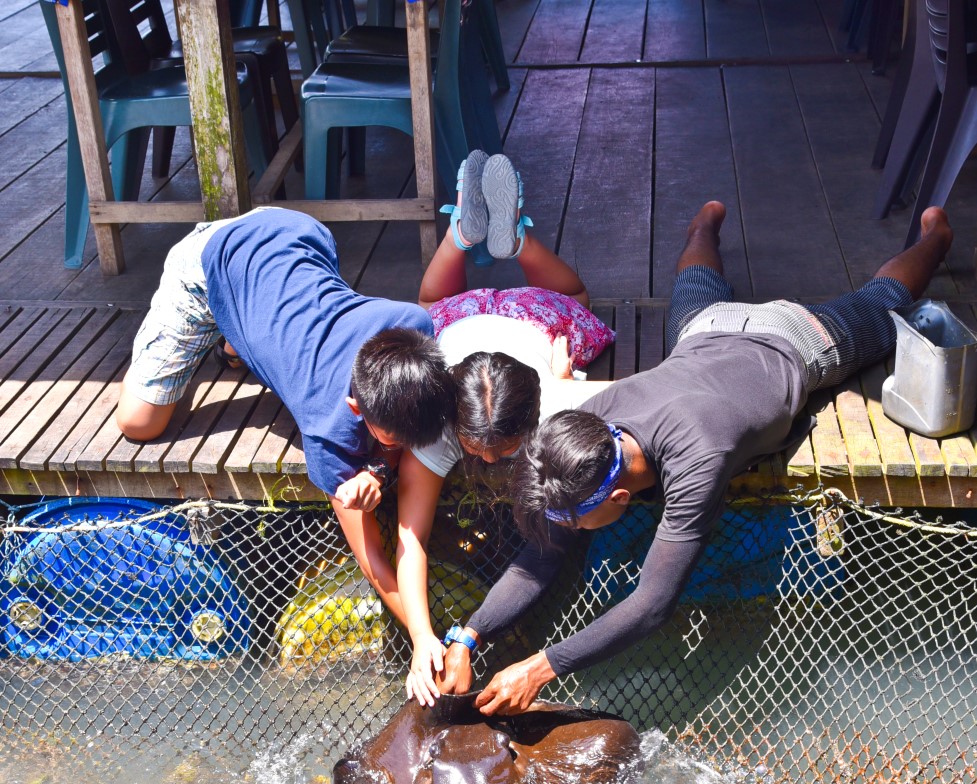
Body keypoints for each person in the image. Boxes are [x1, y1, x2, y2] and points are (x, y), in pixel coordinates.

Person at [436, 200, 955, 714]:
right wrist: (468, 636)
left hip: (794, 340)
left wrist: (541, 666)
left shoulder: (698, 460)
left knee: (885, 303)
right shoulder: (586, 427)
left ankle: (937, 236)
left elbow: (652, 604)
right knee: (697, 285)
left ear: (619, 496)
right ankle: (704, 223)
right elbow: (538, 559)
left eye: (572, 522)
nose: (565, 532)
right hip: (705, 331)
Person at [115, 207, 455, 658]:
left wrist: (378, 465)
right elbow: (371, 559)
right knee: (139, 422)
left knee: (278, 318)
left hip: (299, 233)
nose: (408, 453)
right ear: (355, 407)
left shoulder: (414, 325)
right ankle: (224, 325)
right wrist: (423, 638)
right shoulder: (326, 430)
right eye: (395, 442)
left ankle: (237, 342)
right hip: (211, 259)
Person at [394, 151, 614, 705]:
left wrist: (565, 381)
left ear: (533, 418)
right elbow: (411, 536)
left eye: (504, 450)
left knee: (436, 303)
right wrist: (422, 637)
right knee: (570, 302)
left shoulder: (553, 398)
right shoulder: (437, 419)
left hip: (514, 322)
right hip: (480, 322)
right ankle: (512, 240)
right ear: (451, 418)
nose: (489, 463)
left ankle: (464, 238)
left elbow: (413, 534)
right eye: (477, 449)